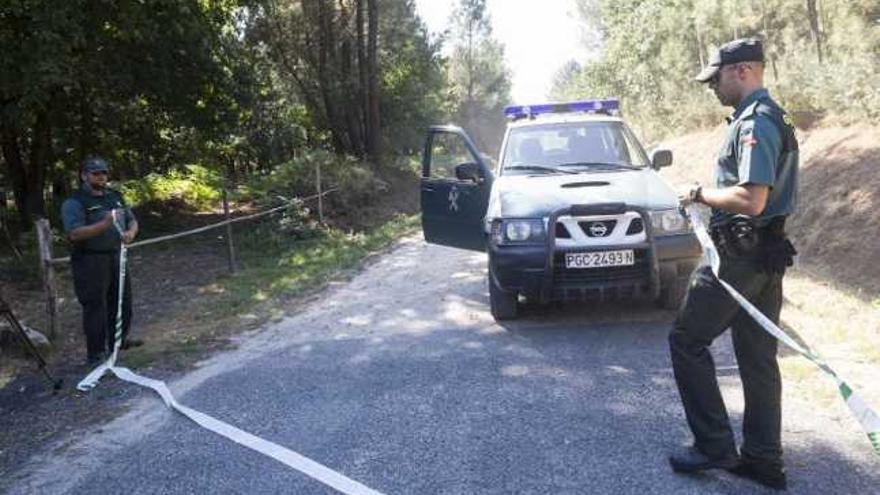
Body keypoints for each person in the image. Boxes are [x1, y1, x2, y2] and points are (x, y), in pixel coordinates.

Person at [667, 38, 799, 491]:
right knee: (757, 356)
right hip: (764, 252)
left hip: (739, 254)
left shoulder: (755, 122)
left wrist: (699, 194)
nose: (713, 87)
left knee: (686, 340)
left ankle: (714, 446)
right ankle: (763, 459)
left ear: (741, 71)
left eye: (717, 78)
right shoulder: (771, 115)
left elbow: (751, 199)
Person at [61, 156, 143, 365]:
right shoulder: (75, 202)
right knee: (95, 307)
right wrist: (105, 224)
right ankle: (96, 353)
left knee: (122, 301)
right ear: (84, 176)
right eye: (95, 173)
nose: (101, 177)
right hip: (90, 261)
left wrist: (131, 233)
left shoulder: (114, 197)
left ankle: (118, 341)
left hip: (116, 256)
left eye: (103, 173)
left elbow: (131, 220)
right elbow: (74, 234)